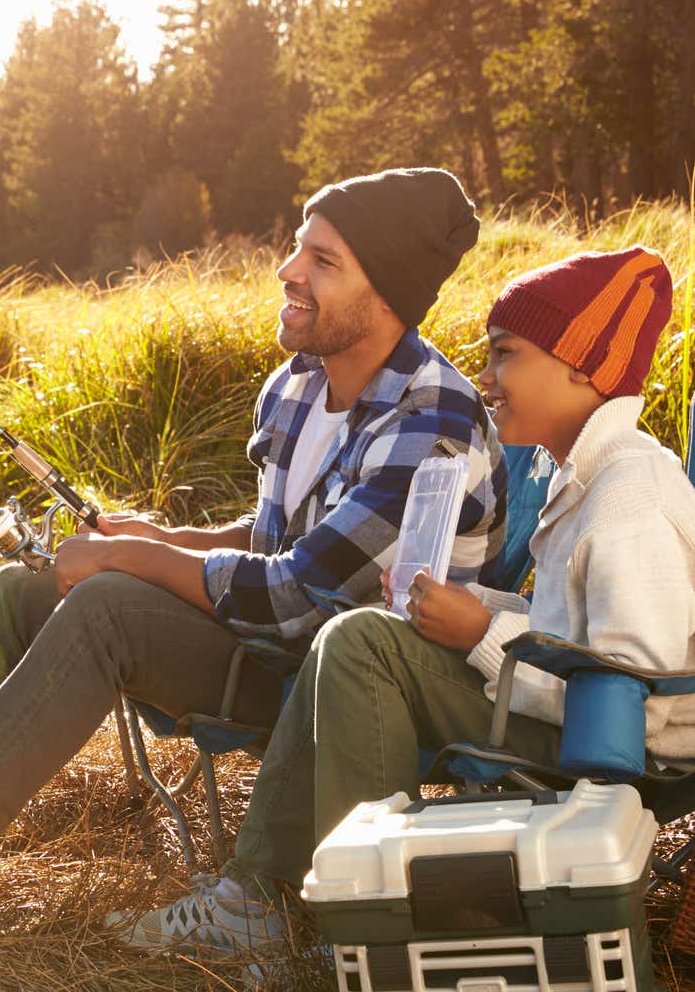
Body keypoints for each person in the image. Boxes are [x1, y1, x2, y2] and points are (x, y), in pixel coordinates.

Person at [0, 167, 504, 927]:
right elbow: (271, 540)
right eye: (299, 246)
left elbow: (298, 598)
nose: (287, 270)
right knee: (23, 592)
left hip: (326, 690)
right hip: (265, 645)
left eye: (322, 261)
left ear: (387, 293)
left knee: (107, 607)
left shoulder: (431, 418)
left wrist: (133, 561)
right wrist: (156, 536)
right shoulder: (299, 384)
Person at [110, 245, 695, 956]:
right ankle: (260, 893)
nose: (485, 376)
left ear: (581, 365)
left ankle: (359, 918)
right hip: (565, 713)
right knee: (351, 634)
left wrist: (479, 631)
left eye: (506, 354)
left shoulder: (628, 494)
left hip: (618, 753)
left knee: (363, 646)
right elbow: (566, 632)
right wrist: (471, 604)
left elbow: (636, 696)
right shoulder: (577, 473)